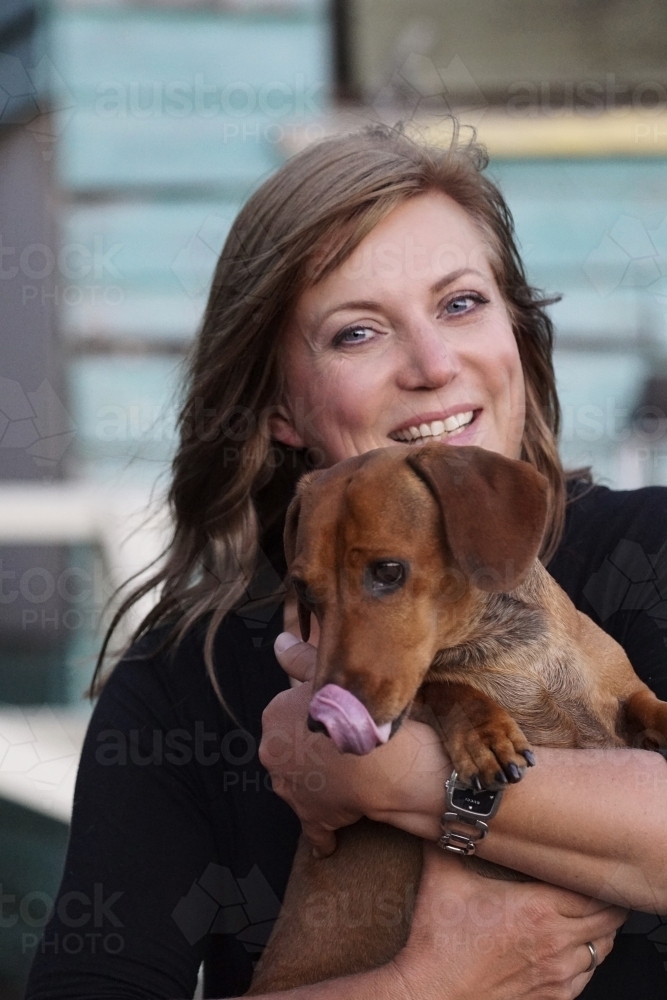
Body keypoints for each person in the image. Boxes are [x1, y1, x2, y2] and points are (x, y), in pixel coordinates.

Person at [24, 125, 667, 1000]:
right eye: (358, 332)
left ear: (515, 328)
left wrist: (394, 777)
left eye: (460, 304)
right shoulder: (185, 683)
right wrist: (427, 982)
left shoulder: (650, 557)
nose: (435, 366)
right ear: (279, 407)